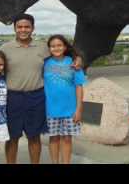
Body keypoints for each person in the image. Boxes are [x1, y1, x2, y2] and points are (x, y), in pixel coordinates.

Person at [0, 13, 83, 164]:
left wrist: (78, 58)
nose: (23, 30)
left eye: (27, 27)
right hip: (12, 97)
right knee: (13, 137)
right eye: (20, 27)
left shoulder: (43, 48)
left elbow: (63, 52)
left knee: (34, 136)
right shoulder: (5, 48)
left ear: (33, 28)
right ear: (15, 28)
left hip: (36, 97)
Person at [44, 34, 87, 164]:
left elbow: (79, 87)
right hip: (50, 109)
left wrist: (79, 109)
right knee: (53, 139)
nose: (56, 48)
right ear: (49, 48)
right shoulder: (44, 63)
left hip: (70, 109)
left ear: (65, 47)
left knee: (67, 139)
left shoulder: (73, 63)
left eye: (59, 45)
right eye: (53, 46)